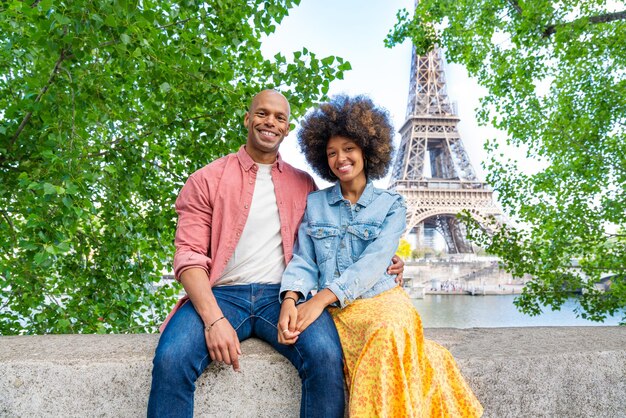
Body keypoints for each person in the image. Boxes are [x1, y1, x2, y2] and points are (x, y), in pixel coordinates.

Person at [147, 89, 404, 418]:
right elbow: (189, 258)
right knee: (171, 359)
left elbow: (330, 246)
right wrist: (213, 321)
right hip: (222, 295)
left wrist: (388, 261)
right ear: (247, 119)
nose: (270, 122)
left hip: (283, 296)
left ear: (287, 128)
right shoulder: (206, 180)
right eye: (262, 113)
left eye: (279, 117)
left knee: (326, 357)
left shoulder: (304, 186)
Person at [278, 95, 483, 417]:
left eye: (348, 149)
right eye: (331, 152)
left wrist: (318, 300)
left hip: (381, 298)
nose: (340, 158)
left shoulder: (392, 204)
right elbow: (304, 259)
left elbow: (375, 260)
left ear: (366, 150)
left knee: (388, 333)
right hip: (341, 310)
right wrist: (291, 298)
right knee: (390, 346)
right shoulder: (315, 204)